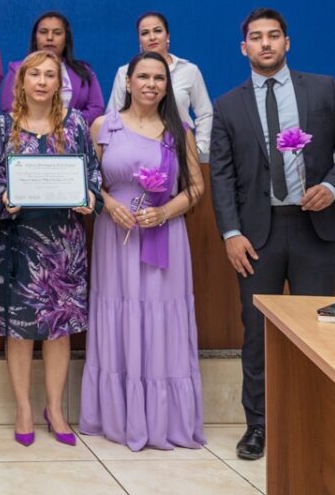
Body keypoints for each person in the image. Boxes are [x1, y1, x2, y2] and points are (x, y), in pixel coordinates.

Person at [209, 8, 335, 461]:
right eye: (256, 38)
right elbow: (221, 178)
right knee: (257, 334)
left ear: (287, 43)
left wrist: (333, 187)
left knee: (318, 330)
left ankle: (317, 422)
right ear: (244, 48)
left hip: (315, 229)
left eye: (273, 36)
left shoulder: (323, 89)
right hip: (256, 237)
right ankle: (258, 426)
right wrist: (230, 233)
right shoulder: (227, 105)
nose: (265, 44)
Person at [79, 51, 205, 452]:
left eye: (159, 78)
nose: (151, 84)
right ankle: (117, 417)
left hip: (164, 236)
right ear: (128, 81)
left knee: (160, 318)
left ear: (167, 86)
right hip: (114, 237)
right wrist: (107, 203)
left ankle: (165, 419)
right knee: (120, 312)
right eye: (143, 77)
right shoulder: (103, 126)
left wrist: (165, 211)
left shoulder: (178, 130)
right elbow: (83, 181)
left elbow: (196, 188)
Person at [0, 51, 100, 447]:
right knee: (19, 329)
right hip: (18, 242)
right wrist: (4, 198)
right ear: (22, 81)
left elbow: (93, 175)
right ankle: (23, 408)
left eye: (51, 75)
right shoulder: (3, 126)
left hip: (64, 244)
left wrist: (89, 195)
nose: (42, 81)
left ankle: (56, 407)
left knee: (59, 329)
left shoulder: (76, 126)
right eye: (35, 74)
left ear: (59, 84)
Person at [107, 12, 214, 154]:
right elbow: (113, 115)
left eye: (157, 31)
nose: (152, 37)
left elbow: (205, 114)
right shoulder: (124, 72)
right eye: (145, 33)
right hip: (135, 153)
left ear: (167, 36)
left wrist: (199, 149)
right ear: (139, 40)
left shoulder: (189, 71)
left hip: (180, 150)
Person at [1, 12, 104, 124]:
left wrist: (67, 125)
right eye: (43, 32)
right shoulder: (17, 69)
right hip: (28, 136)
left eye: (57, 33)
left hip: (73, 137)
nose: (50, 37)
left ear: (66, 40)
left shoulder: (84, 71)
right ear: (35, 38)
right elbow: (9, 108)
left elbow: (96, 108)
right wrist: (40, 127)